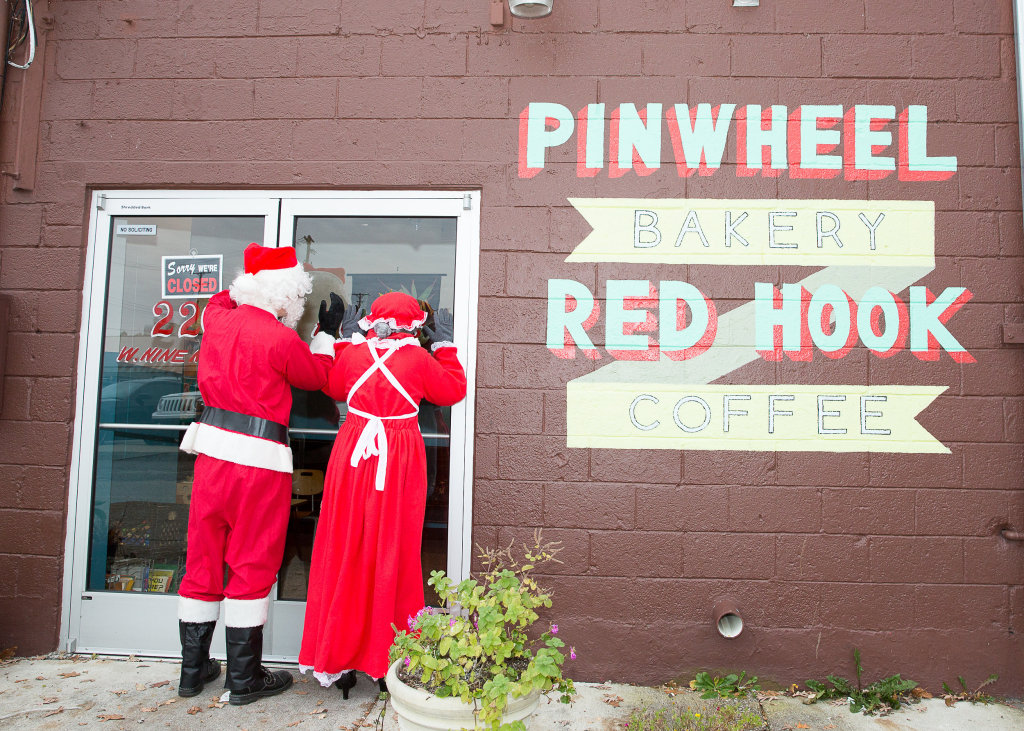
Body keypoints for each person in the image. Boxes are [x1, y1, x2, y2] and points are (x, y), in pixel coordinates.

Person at [175, 243, 343, 705]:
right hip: (260, 464)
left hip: (210, 458)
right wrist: (327, 334)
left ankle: (193, 673)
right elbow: (318, 377)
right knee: (251, 563)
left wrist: (247, 285)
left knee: (203, 558)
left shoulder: (217, 320)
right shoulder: (281, 339)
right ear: (286, 294)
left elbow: (220, 301)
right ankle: (244, 679)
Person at [298, 292, 467, 695]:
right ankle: (385, 655)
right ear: (414, 326)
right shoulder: (418, 360)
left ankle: (339, 655)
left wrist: (341, 337)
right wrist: (445, 346)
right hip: (398, 457)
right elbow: (452, 391)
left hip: (353, 455)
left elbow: (331, 384)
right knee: (392, 546)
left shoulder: (354, 355)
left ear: (372, 320)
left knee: (345, 545)